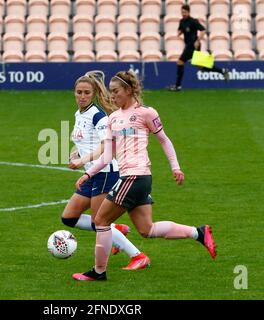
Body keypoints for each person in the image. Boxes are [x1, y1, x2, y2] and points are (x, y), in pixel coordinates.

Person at [73, 70, 217, 281]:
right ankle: (199, 233)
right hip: (134, 179)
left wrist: (175, 167)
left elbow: (164, 140)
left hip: (135, 177)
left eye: (116, 92)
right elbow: (108, 155)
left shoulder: (146, 113)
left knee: (101, 221)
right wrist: (88, 174)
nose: (112, 96)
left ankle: (98, 271)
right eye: (111, 92)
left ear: (129, 90)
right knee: (146, 229)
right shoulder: (113, 118)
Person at [61, 70, 150, 270]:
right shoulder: (79, 114)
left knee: (98, 222)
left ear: (93, 94)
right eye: (79, 92)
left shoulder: (98, 116)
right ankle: (115, 229)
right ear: (74, 93)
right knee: (68, 218)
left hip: (105, 173)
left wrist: (82, 160)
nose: (82, 96)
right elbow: (86, 140)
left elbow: (105, 146)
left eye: (86, 93)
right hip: (92, 175)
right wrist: (76, 152)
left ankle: (138, 256)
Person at [168, 4, 230, 91]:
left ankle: (178, 86)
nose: (183, 14)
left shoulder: (193, 21)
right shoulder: (182, 21)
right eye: (182, 12)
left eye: (185, 12)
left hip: (193, 45)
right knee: (200, 66)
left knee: (180, 62)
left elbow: (203, 30)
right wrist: (179, 32)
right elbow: (181, 29)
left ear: (189, 12)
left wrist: (198, 41)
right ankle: (223, 71)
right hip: (189, 45)